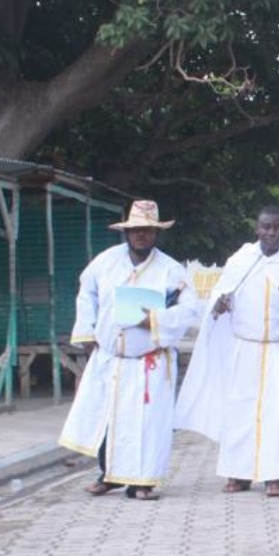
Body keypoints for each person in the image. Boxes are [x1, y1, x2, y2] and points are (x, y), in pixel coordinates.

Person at [59, 200, 198, 501]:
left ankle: (143, 481)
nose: (141, 236)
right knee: (108, 420)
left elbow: (189, 310)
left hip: (150, 361)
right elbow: (87, 295)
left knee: (148, 424)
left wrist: (155, 320)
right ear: (127, 231)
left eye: (147, 231)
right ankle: (109, 475)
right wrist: (87, 335)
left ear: (156, 233)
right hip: (111, 358)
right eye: (136, 230)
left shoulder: (171, 270)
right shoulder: (104, 263)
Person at [176, 205, 279, 498]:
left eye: (277, 227)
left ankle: (276, 475)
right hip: (244, 349)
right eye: (266, 226)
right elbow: (218, 300)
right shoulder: (240, 261)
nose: (271, 232)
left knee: (277, 413)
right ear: (257, 228)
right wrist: (218, 307)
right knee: (240, 410)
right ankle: (238, 473)